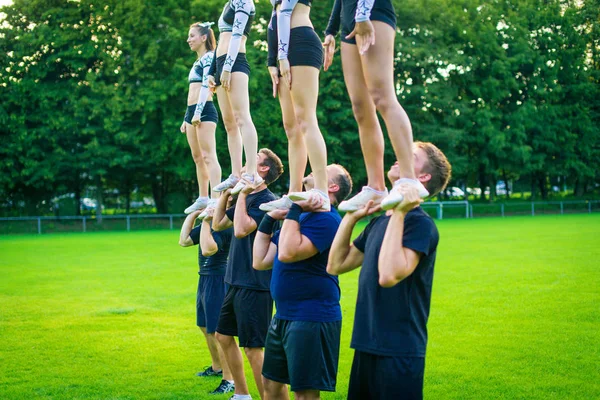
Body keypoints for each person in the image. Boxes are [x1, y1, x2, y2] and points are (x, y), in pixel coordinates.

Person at [327, 142, 451, 399]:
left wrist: (399, 213)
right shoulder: (379, 222)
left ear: (423, 177)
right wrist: (351, 217)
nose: (399, 157)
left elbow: (388, 275)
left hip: (400, 350)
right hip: (366, 344)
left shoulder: (420, 225)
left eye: (410, 156)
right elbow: (336, 265)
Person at [252, 164, 352, 400]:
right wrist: (269, 218)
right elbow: (260, 260)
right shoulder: (302, 217)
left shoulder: (327, 220)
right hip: (284, 315)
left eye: (323, 170)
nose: (313, 169)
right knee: (271, 384)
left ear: (332, 186)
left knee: (305, 392)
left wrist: (295, 207)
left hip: (312, 316)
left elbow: (287, 253)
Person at [322, 0, 429, 213]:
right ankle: (376, 187)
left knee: (382, 96)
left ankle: (408, 178)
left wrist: (362, 15)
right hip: (348, 21)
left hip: (372, 12)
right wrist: (331, 30)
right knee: (360, 108)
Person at [212, 149, 284, 400]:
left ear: (262, 170)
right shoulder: (246, 198)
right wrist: (226, 193)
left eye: (250, 162)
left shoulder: (266, 200)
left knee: (254, 348)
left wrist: (241, 193)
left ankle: (268, 397)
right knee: (222, 335)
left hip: (255, 284)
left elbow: (241, 230)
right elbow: (218, 224)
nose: (243, 166)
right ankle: (242, 395)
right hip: (236, 281)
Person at [259, 0, 330, 213]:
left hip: (300, 42)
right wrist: (272, 61)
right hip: (284, 49)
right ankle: (293, 192)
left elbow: (286, 13)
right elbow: (275, 18)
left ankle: (322, 190)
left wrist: (280, 56)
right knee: (291, 128)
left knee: (305, 119)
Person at [207, 0, 263, 196]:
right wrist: (213, 72)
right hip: (222, 63)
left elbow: (237, 36)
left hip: (235, 62)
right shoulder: (229, 3)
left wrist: (228, 68)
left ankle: (251, 173)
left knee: (241, 117)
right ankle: (235, 173)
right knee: (229, 124)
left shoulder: (244, 2)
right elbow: (221, 42)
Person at [178, 209, 235, 395]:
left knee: (219, 331)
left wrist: (206, 221)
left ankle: (229, 379)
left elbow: (208, 250)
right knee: (204, 326)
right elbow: (184, 240)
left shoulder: (223, 228)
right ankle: (216, 367)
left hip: (218, 280)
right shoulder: (210, 224)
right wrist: (193, 214)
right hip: (204, 278)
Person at [182, 22, 222, 214]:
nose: (188, 39)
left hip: (204, 109)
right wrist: (186, 117)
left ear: (204, 38)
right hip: (192, 112)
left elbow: (206, 87)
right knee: (197, 157)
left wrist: (198, 112)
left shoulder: (208, 58)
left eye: (192, 36)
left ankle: (216, 198)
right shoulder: (196, 61)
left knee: (208, 156)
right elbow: (192, 90)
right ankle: (203, 197)